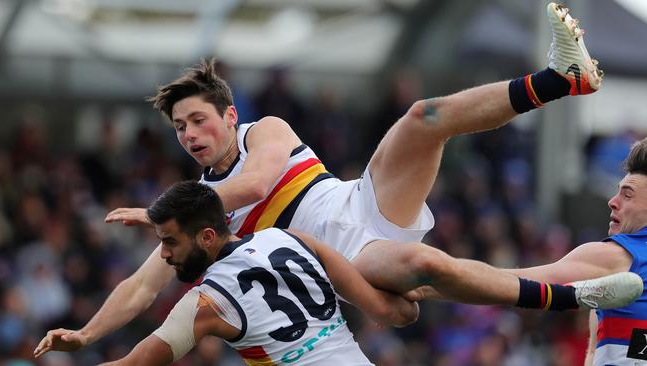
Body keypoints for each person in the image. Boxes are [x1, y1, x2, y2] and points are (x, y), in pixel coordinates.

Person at [35, 3, 635, 355]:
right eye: (178, 128)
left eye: (198, 119)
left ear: (229, 116)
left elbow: (254, 184)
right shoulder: (194, 213)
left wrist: (159, 211)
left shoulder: (262, 133)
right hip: (351, 257)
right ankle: (570, 296)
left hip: (361, 198)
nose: (189, 134)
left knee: (423, 118)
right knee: (427, 270)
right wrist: (85, 335)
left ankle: (565, 79)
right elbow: (142, 287)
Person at [36, 181, 419, 365]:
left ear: (206, 236)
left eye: (169, 243)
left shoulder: (207, 302)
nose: (164, 255)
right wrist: (412, 303)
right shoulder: (289, 239)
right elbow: (394, 313)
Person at [498, 138, 647, 366]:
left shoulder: (619, 258)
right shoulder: (615, 257)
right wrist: (437, 280)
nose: (612, 202)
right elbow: (512, 284)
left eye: (627, 195)